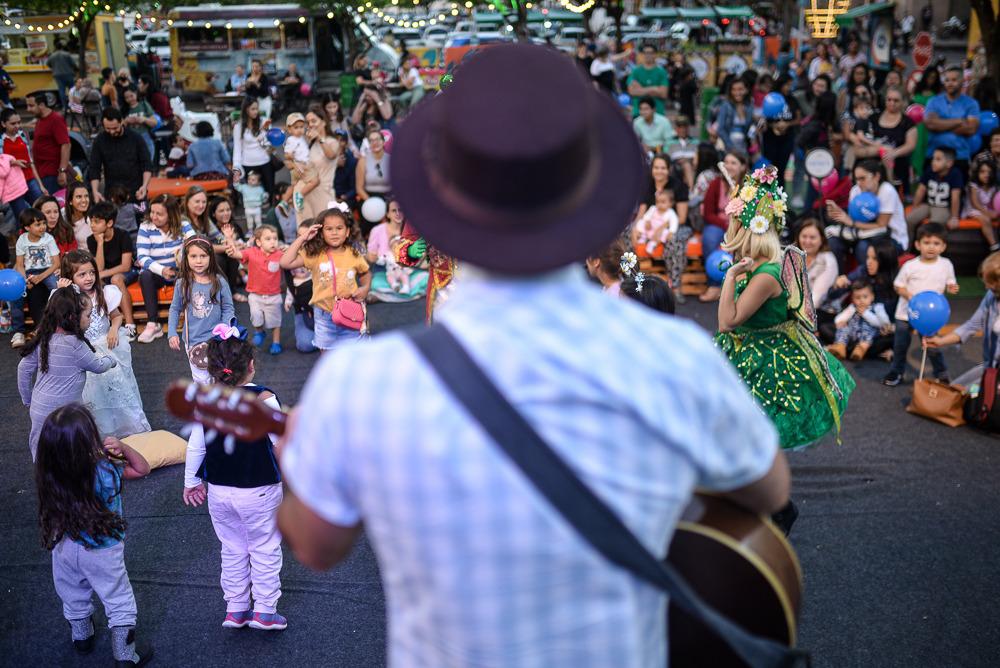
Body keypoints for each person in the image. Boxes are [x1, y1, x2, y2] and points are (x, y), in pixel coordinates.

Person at [277, 45, 790, 667]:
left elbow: (317, 544)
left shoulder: (363, 381)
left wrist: (297, 451)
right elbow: (767, 492)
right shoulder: (674, 353)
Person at [715, 163, 855, 456]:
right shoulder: (752, 263)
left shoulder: (766, 273)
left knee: (758, 436)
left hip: (766, 357)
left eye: (734, 223)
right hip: (746, 349)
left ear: (747, 229)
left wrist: (730, 276)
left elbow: (727, 321)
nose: (729, 229)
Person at [182, 332, 287, 631]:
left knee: (232, 546)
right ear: (251, 366)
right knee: (264, 546)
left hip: (218, 491)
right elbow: (280, 444)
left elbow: (196, 446)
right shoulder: (265, 399)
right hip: (259, 489)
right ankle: (265, 610)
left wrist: (191, 481)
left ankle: (236, 608)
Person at [33, 404, 152, 665]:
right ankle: (125, 654)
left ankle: (82, 637)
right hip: (102, 549)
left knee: (72, 591)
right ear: (90, 437)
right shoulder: (105, 470)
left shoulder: (49, 474)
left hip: (63, 546)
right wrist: (123, 447)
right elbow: (142, 469)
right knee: (118, 598)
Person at [17, 288, 117, 458]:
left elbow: (23, 369)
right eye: (88, 315)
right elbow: (98, 366)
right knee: (69, 447)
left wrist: (28, 399)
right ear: (72, 317)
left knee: (41, 447)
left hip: (39, 408)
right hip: (65, 413)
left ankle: (44, 475)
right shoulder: (75, 344)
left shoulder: (43, 338)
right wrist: (111, 360)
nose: (90, 320)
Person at [59, 250, 149, 438]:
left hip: (106, 346)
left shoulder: (104, 293)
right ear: (69, 277)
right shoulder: (67, 298)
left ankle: (128, 428)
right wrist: (63, 290)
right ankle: (98, 433)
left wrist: (113, 329)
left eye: (92, 272)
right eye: (81, 274)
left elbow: (116, 316)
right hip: (83, 350)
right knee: (92, 394)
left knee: (116, 388)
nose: (89, 278)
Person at [279, 208, 369, 350]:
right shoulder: (314, 255)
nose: (334, 232)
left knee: (353, 354)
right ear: (321, 232)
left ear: (347, 232)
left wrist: (365, 288)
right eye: (329, 229)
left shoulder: (353, 253)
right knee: (326, 353)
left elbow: (365, 273)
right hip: (324, 316)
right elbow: (285, 262)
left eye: (339, 228)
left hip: (349, 312)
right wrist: (303, 238)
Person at [884, 223, 959, 386]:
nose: (931, 247)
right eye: (926, 242)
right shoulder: (911, 266)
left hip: (930, 316)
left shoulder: (946, 264)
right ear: (918, 244)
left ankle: (942, 373)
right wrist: (911, 297)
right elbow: (898, 285)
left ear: (943, 246)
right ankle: (896, 372)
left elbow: (950, 282)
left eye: (936, 243)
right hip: (906, 313)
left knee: (932, 345)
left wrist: (952, 287)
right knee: (900, 345)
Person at [924, 252, 1000, 388]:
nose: (987, 287)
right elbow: (972, 325)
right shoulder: (991, 296)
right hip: (990, 366)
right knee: (954, 390)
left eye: (992, 285)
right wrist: (941, 341)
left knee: (970, 399)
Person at [167, 236, 236, 383]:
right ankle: (204, 404)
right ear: (186, 258)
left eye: (203, 256)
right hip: (193, 341)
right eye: (193, 256)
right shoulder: (182, 284)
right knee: (201, 379)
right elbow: (174, 309)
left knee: (219, 376)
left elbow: (228, 307)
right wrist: (172, 332)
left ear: (211, 257)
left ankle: (217, 402)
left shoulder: (219, 282)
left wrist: (224, 327)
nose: (198, 261)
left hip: (216, 341)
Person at [825, 159, 908, 269]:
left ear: (876, 177)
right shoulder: (856, 190)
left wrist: (851, 222)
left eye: (862, 178)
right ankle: (839, 280)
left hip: (892, 238)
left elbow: (881, 224)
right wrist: (838, 213)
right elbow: (852, 219)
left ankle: (866, 282)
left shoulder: (887, 191)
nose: (859, 183)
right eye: (857, 179)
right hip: (862, 233)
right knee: (833, 242)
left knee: (863, 247)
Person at [135, 194, 195, 343]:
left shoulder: (184, 225)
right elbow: (142, 257)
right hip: (157, 273)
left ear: (171, 214)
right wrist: (162, 270)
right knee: (145, 275)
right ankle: (153, 324)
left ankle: (193, 319)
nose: (154, 217)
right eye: (152, 212)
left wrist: (183, 258)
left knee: (193, 272)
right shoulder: (146, 227)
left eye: (159, 214)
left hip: (179, 270)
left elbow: (195, 246)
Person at [224, 225, 284, 354]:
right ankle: (259, 331)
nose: (273, 241)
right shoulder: (251, 252)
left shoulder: (280, 255)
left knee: (275, 321)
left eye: (275, 238)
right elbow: (235, 253)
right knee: (256, 316)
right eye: (268, 239)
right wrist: (229, 238)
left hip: (273, 295)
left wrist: (289, 248)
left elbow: (291, 258)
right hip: (255, 295)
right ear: (258, 242)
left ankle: (276, 342)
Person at [700, 150, 750, 302]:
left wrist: (737, 225)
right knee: (709, 237)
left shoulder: (748, 187)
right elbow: (708, 213)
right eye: (726, 162)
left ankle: (741, 286)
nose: (728, 166)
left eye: (733, 163)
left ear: (742, 167)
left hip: (742, 224)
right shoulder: (716, 184)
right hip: (720, 223)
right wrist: (725, 224)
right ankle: (714, 285)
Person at [12, 208, 62, 348]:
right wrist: (24, 280)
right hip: (28, 271)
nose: (43, 227)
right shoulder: (22, 240)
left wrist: (40, 278)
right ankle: (18, 332)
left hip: (47, 271)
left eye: (43, 223)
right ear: (27, 227)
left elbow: (56, 263)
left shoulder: (48, 238)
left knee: (56, 289)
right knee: (17, 294)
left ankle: (60, 322)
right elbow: (20, 265)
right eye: (38, 224)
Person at [87, 202, 137, 338]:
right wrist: (100, 243)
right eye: (91, 221)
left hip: (127, 272)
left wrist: (103, 274)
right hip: (106, 273)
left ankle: (130, 325)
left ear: (109, 223)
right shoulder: (92, 240)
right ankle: (103, 325)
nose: (92, 225)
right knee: (96, 283)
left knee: (116, 279)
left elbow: (126, 266)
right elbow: (99, 267)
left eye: (96, 222)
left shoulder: (123, 235)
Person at [854, 86, 917, 193]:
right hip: (870, 167)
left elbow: (910, 145)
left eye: (896, 100)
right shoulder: (873, 117)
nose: (892, 103)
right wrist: (878, 148)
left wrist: (894, 153)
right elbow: (859, 141)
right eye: (889, 99)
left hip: (898, 167)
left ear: (903, 102)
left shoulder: (908, 122)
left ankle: (890, 183)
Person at [367, 198, 428, 303]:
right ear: (387, 214)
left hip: (408, 271)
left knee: (426, 278)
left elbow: (420, 254)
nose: (398, 213)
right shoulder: (377, 230)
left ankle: (385, 295)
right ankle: (410, 293)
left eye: (401, 210)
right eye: (394, 211)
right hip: (385, 271)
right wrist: (373, 257)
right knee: (375, 283)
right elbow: (370, 257)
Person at [925, 66, 981, 178]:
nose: (950, 83)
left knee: (959, 194)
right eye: (947, 80)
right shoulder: (933, 101)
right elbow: (930, 124)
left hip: (960, 157)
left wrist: (940, 123)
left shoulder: (971, 104)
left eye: (954, 80)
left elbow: (971, 129)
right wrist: (960, 121)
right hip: (934, 156)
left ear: (962, 81)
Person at [87, 108, 152, 205]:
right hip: (112, 194)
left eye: (115, 128)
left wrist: (144, 185)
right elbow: (94, 168)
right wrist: (95, 191)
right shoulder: (99, 141)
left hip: (136, 191)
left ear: (121, 121)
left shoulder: (135, 138)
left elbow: (146, 164)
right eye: (108, 129)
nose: (112, 132)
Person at [906, 146, 964, 244]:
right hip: (928, 204)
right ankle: (907, 248)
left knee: (933, 224)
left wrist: (954, 217)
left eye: (938, 159)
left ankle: (932, 252)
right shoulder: (930, 170)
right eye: (933, 158)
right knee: (909, 219)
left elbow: (955, 197)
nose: (933, 161)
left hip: (943, 207)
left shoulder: (955, 174)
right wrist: (915, 207)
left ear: (949, 163)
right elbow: (921, 190)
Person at [827, 279, 892, 361]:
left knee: (869, 333)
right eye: (857, 298)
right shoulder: (853, 307)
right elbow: (841, 316)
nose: (861, 300)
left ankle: (860, 350)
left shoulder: (877, 307)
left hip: (867, 337)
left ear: (872, 297)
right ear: (853, 299)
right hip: (852, 334)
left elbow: (882, 323)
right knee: (843, 329)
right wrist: (840, 322)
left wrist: (865, 313)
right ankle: (840, 347)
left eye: (865, 297)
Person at [25, 91, 71, 194]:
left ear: (41, 105)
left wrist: (62, 171)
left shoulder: (56, 119)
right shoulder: (40, 119)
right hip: (42, 173)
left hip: (52, 174)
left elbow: (66, 145)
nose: (28, 109)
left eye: (31, 105)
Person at [232, 97, 275, 202]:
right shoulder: (238, 126)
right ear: (246, 110)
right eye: (253, 109)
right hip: (247, 164)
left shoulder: (264, 122)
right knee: (251, 197)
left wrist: (263, 139)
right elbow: (237, 148)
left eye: (257, 108)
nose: (256, 111)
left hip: (265, 162)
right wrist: (236, 168)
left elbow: (271, 145)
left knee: (270, 193)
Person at [2, 108, 45, 205]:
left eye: (19, 122)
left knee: (40, 207)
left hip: (30, 180)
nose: (17, 126)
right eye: (13, 124)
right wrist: (13, 163)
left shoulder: (22, 136)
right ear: (3, 124)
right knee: (22, 216)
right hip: (13, 184)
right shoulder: (1, 141)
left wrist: (41, 185)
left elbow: (31, 162)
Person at [795, 218, 838, 309]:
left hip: (814, 314)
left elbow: (816, 300)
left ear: (822, 239)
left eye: (812, 237)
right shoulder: (793, 255)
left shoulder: (827, 261)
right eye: (804, 236)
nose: (807, 241)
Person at [632, 188, 677, 260]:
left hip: (659, 232)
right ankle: (642, 238)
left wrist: (671, 231)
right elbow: (647, 216)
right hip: (650, 228)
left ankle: (652, 244)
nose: (660, 204)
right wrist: (647, 221)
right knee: (641, 223)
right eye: (658, 202)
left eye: (663, 202)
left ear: (670, 203)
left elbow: (674, 223)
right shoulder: (653, 208)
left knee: (666, 233)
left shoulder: (670, 213)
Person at [965, 158, 1000, 250]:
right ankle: (994, 245)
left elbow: (993, 203)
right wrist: (987, 213)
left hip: (986, 208)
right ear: (977, 173)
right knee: (985, 219)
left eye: (989, 172)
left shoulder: (994, 187)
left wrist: (994, 212)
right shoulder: (974, 185)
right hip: (973, 209)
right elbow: (975, 203)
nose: (986, 175)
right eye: (982, 172)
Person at [626, 44, 669, 117]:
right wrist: (654, 89)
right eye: (645, 53)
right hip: (638, 113)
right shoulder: (635, 71)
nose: (648, 55)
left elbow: (663, 94)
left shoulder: (661, 72)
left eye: (650, 53)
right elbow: (632, 91)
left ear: (655, 54)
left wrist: (640, 90)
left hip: (657, 113)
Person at [715, 78, 754, 153]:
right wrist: (731, 147)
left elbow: (749, 128)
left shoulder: (749, 106)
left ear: (746, 90)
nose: (737, 92)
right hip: (727, 145)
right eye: (734, 89)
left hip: (743, 145)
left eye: (740, 89)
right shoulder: (726, 105)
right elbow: (720, 129)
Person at [120, 88, 156, 161]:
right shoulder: (124, 109)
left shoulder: (144, 105)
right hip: (130, 139)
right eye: (127, 97)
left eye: (131, 96)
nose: (130, 99)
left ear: (136, 94)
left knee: (148, 161)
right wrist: (126, 121)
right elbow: (119, 128)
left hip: (146, 136)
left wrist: (144, 119)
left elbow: (154, 123)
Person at [46, 41, 78, 108]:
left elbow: (48, 64)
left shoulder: (52, 55)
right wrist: (76, 69)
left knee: (61, 90)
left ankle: (65, 106)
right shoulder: (66, 54)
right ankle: (73, 105)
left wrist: (54, 67)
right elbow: (73, 64)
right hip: (68, 73)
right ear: (62, 47)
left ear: (55, 47)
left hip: (57, 75)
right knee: (72, 90)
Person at [64, 182, 92, 248]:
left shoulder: (93, 220)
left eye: (86, 196)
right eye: (79, 197)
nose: (84, 200)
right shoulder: (62, 215)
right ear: (70, 201)